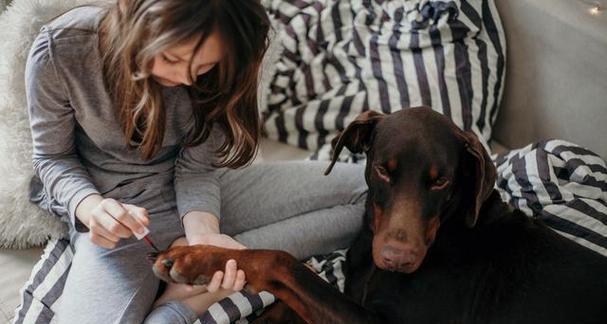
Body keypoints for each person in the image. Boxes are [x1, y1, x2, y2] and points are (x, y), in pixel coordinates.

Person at [24, 0, 367, 323]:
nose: (188, 80)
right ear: (139, 20)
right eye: (173, 58)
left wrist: (204, 241)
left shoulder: (223, 63)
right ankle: (197, 290)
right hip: (119, 218)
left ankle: (197, 283)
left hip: (202, 195)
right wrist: (90, 207)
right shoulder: (62, 49)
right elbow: (53, 157)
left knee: (369, 194)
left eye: (203, 67)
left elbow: (197, 168)